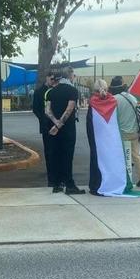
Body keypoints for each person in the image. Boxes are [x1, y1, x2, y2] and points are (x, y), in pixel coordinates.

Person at [45, 66, 85, 195]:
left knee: (56, 155)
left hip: (53, 128)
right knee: (67, 156)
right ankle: (69, 184)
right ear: (70, 75)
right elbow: (69, 109)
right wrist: (60, 125)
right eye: (74, 75)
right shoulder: (72, 90)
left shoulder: (52, 91)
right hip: (67, 129)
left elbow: (47, 110)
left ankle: (56, 184)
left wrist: (55, 123)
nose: (74, 77)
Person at [108, 76, 140, 188]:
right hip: (135, 131)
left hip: (122, 133)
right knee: (137, 155)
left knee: (121, 157)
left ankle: (124, 179)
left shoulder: (114, 99)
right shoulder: (132, 98)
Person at [32, 71, 57, 187]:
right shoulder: (39, 92)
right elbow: (35, 108)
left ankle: (57, 171)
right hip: (46, 124)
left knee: (57, 148)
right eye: (51, 79)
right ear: (46, 78)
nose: (53, 81)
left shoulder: (56, 90)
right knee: (48, 149)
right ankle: (50, 172)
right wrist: (42, 118)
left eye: (54, 79)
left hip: (57, 124)